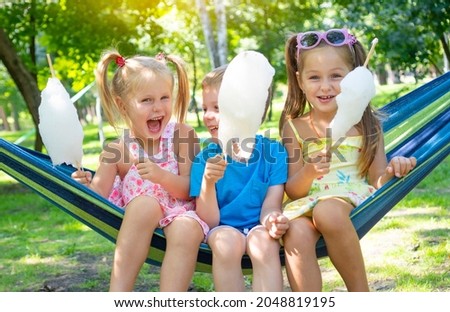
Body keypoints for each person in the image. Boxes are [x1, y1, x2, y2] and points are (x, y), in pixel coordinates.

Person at [279, 29, 417, 292]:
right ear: (300, 80)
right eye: (314, 78)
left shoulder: (367, 125)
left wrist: (394, 169)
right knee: (294, 232)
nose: (325, 86)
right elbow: (293, 190)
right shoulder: (294, 127)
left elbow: (378, 179)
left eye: (336, 76)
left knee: (327, 211)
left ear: (354, 78)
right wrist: (309, 172)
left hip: (348, 200)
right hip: (306, 203)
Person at [72, 49, 208, 291]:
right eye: (147, 100)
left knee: (186, 229)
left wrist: (161, 176)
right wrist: (83, 185)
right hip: (139, 219)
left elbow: (191, 190)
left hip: (181, 212)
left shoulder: (182, 135)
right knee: (146, 204)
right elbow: (97, 198)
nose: (158, 108)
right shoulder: (117, 150)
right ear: (122, 106)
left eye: (164, 97)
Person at [190, 65, 289, 291]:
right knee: (227, 244)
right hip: (222, 228)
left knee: (264, 243)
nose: (207, 115)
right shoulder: (204, 158)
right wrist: (207, 182)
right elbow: (209, 221)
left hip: (259, 226)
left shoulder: (273, 153)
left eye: (217, 107)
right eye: (205, 108)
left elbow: (271, 205)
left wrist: (273, 219)